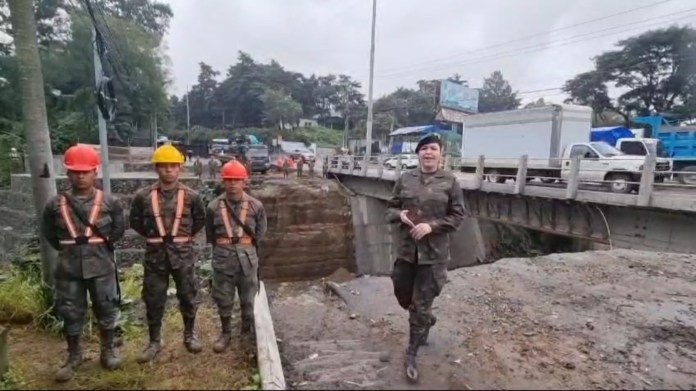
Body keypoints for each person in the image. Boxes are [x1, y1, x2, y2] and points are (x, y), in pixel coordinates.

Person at [385, 133, 467, 383]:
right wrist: (400, 216)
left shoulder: (450, 181)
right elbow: (390, 207)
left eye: (433, 149)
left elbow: (458, 216)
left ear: (441, 154)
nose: (428, 153)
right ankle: (427, 319)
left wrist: (432, 226)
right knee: (403, 296)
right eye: (424, 149)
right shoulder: (405, 179)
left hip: (434, 256)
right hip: (407, 252)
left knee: (419, 306)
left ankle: (411, 354)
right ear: (418, 153)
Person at [41, 144, 126, 382]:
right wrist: (70, 250)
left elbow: (119, 230)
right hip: (68, 268)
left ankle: (107, 351)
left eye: (85, 171)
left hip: (101, 265)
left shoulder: (110, 202)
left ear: (94, 172)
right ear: (67, 173)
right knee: (70, 311)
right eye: (75, 171)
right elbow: (49, 233)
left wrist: (96, 247)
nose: (80, 176)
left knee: (107, 308)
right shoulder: (55, 205)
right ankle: (74, 355)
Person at [129, 144, 207, 363]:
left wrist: (180, 238)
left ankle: (190, 335)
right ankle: (154, 341)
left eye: (173, 166)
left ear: (179, 168)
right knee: (154, 298)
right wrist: (157, 237)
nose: (169, 171)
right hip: (155, 256)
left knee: (188, 295)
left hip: (183, 255)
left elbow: (199, 221)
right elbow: (135, 222)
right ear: (157, 168)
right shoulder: (142, 196)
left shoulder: (192, 196)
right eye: (164, 166)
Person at [205, 160, 267, 353]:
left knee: (248, 298)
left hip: (247, 258)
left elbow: (261, 232)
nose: (232, 184)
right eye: (228, 180)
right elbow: (210, 235)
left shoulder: (256, 206)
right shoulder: (213, 207)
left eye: (237, 180)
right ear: (223, 182)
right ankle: (225, 334)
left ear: (244, 182)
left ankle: (246, 332)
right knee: (224, 298)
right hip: (223, 258)